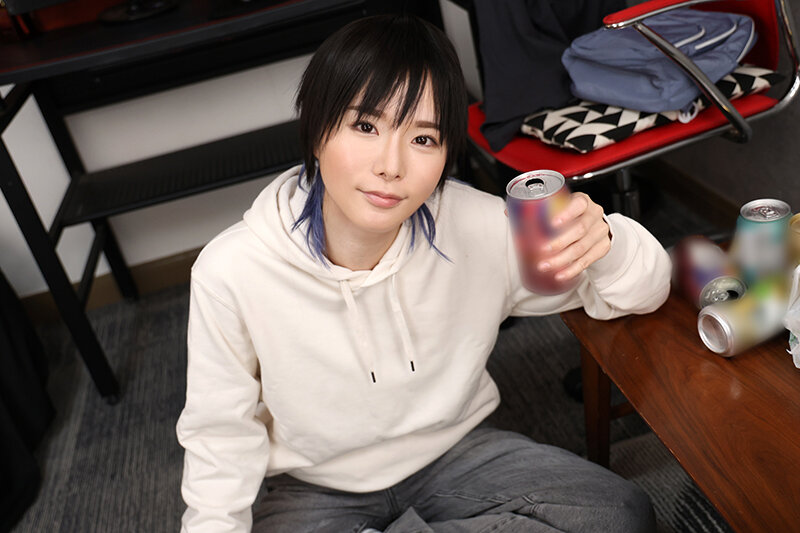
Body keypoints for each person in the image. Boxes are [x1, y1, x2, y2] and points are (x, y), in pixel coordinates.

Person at [176, 13, 671, 533]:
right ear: (318, 131)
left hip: (455, 454)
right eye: (366, 126)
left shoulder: (479, 225)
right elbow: (220, 434)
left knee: (619, 514)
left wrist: (607, 242)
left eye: (423, 139)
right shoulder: (231, 270)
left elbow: (642, 291)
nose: (391, 166)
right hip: (315, 486)